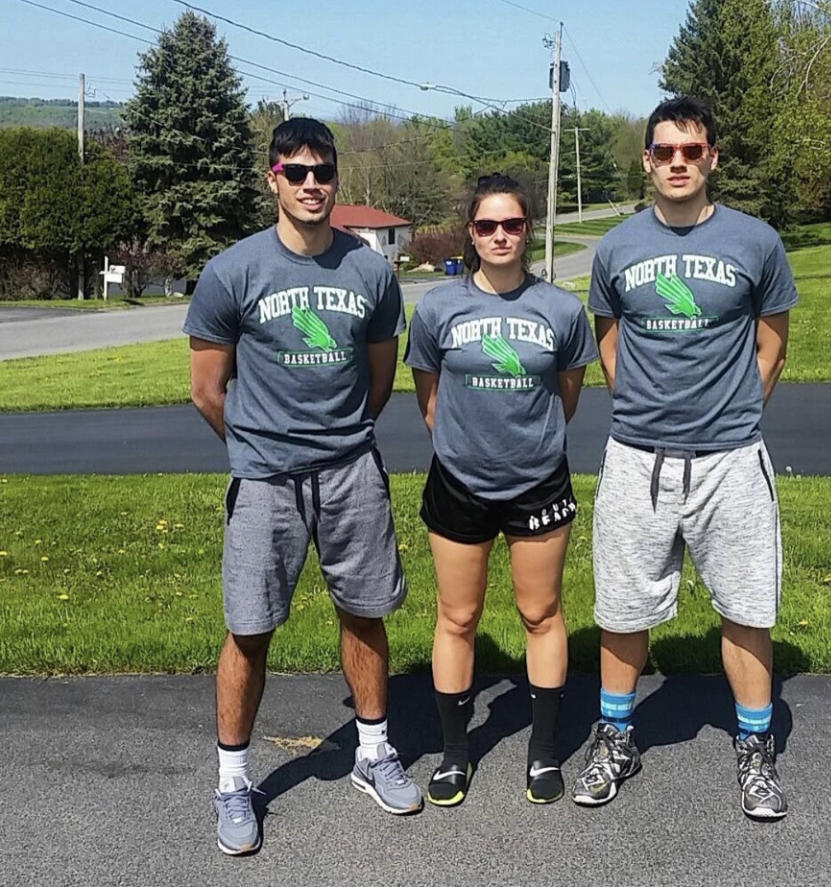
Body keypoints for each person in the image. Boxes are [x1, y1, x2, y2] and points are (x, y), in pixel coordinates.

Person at [185, 117, 422, 856]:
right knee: (249, 629)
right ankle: (233, 781)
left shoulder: (371, 272)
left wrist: (341, 437)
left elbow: (379, 377)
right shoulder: (234, 271)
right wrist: (258, 447)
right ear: (273, 178)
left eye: (322, 171)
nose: (311, 184)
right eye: (296, 172)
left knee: (366, 611)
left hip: (350, 469)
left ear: (336, 179)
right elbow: (206, 388)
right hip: (265, 479)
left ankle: (373, 753)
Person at [572, 96, 797, 820]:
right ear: (647, 159)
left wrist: (732, 411)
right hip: (638, 456)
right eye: (665, 151)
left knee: (747, 607)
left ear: (712, 159)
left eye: (691, 151)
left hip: (732, 459)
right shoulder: (616, 248)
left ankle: (756, 749)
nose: (678, 162)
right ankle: (615, 737)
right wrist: (643, 406)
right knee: (622, 609)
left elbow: (772, 344)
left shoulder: (756, 242)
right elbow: (609, 343)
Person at [404, 173, 597, 806]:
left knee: (540, 614)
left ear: (528, 228)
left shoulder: (562, 311)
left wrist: (528, 442)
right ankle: (456, 755)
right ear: (470, 231)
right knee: (457, 617)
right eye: (486, 225)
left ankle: (543, 754)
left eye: (511, 224)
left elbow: (567, 394)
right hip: (459, 483)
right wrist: (463, 444)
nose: (499, 236)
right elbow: (428, 395)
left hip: (539, 481)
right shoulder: (437, 308)